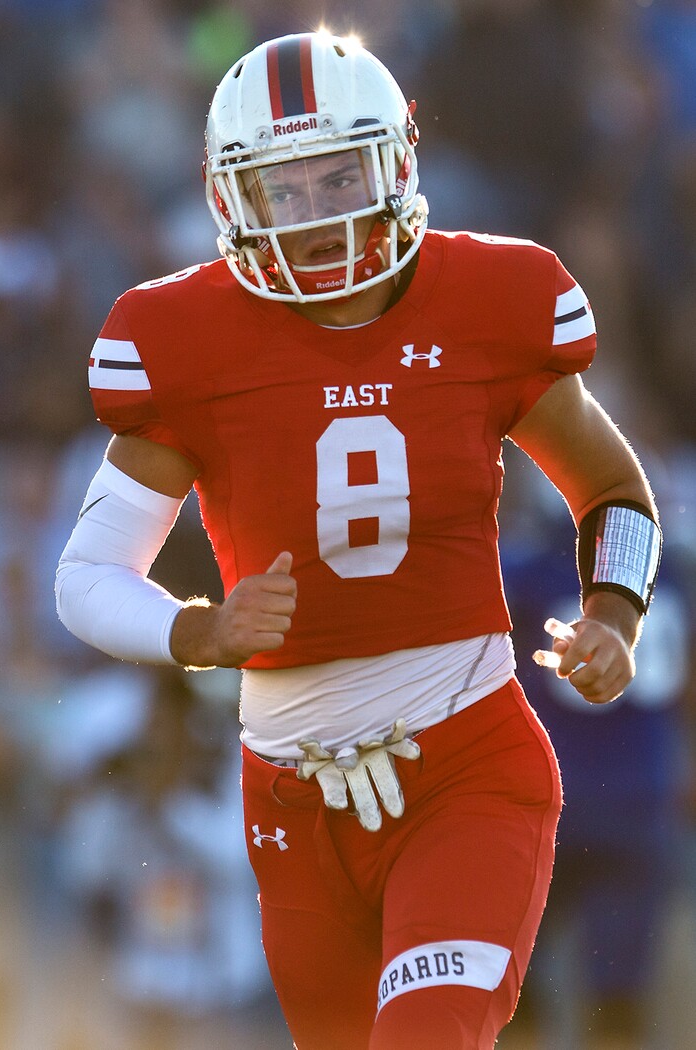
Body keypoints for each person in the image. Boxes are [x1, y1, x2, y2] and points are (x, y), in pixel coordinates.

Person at [55, 30, 662, 1050]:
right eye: (283, 188)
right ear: (231, 198)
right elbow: (85, 576)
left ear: (396, 163)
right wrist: (200, 632)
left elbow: (614, 491)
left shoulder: (491, 300)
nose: (317, 213)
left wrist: (613, 615)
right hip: (290, 796)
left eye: (339, 175)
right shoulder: (183, 341)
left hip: (467, 763)